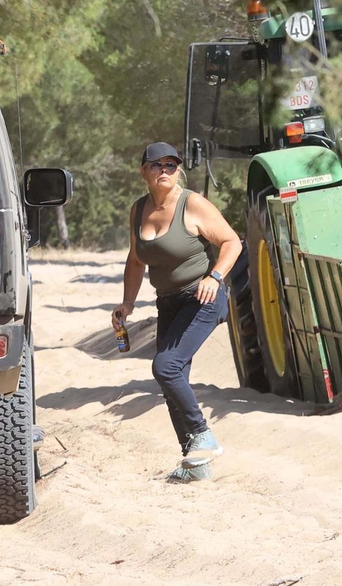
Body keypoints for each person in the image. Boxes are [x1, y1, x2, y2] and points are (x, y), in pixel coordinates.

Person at [116, 142, 242, 482]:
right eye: (156, 165)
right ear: (143, 171)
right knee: (174, 380)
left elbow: (233, 242)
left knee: (165, 366)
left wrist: (215, 276)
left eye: (171, 165)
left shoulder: (193, 203)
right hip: (168, 302)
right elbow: (136, 260)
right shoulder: (138, 209)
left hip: (202, 299)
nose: (164, 171)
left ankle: (204, 436)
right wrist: (127, 303)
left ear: (179, 171)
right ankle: (195, 464)